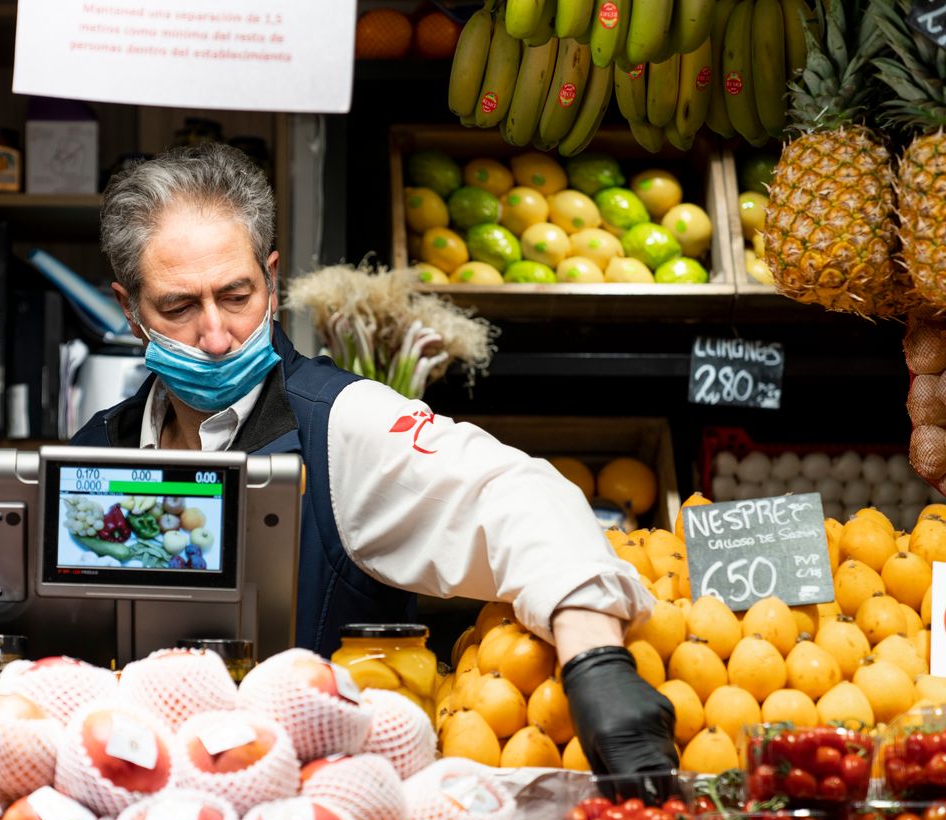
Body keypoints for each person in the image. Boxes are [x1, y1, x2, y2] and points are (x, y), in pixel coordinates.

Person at [71, 143, 675, 778]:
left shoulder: (343, 423)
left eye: (237, 295)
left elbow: (516, 494)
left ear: (272, 283)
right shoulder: (91, 453)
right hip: (132, 809)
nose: (218, 336)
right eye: (179, 307)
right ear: (129, 310)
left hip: (327, 813)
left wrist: (596, 664)